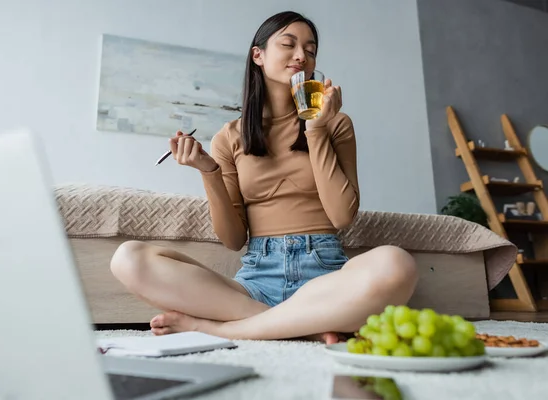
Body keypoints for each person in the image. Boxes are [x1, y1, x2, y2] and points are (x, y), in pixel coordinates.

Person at [110, 11, 418, 344]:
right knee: (128, 259)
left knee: (396, 263)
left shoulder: (336, 124)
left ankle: (221, 328)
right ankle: (309, 327)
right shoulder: (229, 137)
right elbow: (233, 239)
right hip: (257, 280)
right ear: (258, 55)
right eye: (289, 44)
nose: (302, 55)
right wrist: (208, 171)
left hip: (326, 277)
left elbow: (342, 217)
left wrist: (314, 128)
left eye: (311, 50)